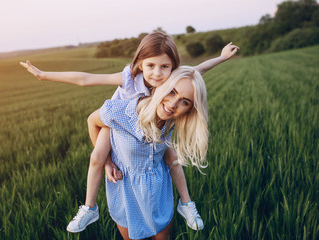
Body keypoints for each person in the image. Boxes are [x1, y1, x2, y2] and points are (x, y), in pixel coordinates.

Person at [20, 31, 239, 233]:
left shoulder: (169, 82)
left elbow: (197, 70)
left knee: (172, 157)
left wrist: (221, 57)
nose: (157, 73)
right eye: (151, 65)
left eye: (165, 67)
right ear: (140, 63)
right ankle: (89, 207)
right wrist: (43, 75)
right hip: (117, 122)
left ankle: (186, 204)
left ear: (172, 67)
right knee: (97, 157)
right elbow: (86, 79)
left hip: (150, 124)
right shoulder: (129, 78)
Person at [90, 65, 208, 239]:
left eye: (185, 102)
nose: (173, 105)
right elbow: (92, 122)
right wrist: (107, 161)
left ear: (190, 109)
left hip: (159, 190)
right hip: (126, 191)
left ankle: (186, 203)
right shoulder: (122, 111)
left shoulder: (171, 121)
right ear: (161, 86)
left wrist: (222, 58)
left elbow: (195, 73)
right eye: (172, 92)